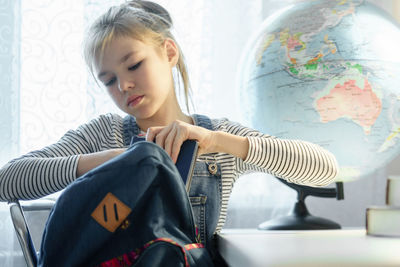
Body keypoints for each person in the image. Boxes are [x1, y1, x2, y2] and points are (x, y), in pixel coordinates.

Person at [0, 0, 338, 265]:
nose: (124, 85)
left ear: (169, 52)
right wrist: (113, 162)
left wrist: (220, 141)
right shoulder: (104, 134)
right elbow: (7, 181)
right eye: (108, 81)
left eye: (134, 65)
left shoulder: (214, 139)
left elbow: (325, 169)